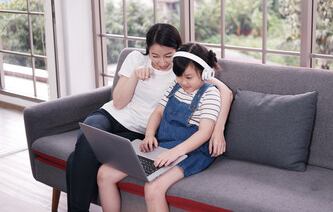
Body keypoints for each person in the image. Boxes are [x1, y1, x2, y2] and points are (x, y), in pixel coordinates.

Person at [66, 23, 232, 211]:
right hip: (132, 126)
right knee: (92, 156)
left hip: (176, 145)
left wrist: (218, 130)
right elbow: (143, 108)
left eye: (168, 56)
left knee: (78, 159)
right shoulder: (171, 76)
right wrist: (149, 134)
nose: (162, 62)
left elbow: (220, 100)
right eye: (155, 56)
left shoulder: (190, 75)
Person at [97, 43, 224, 212]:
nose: (183, 82)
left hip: (192, 151)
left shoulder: (210, 93)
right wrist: (149, 135)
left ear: (206, 73)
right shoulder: (175, 86)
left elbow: (205, 132)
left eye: (188, 77)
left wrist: (175, 152)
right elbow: (158, 113)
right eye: (179, 76)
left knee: (153, 189)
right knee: (104, 174)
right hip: (164, 145)